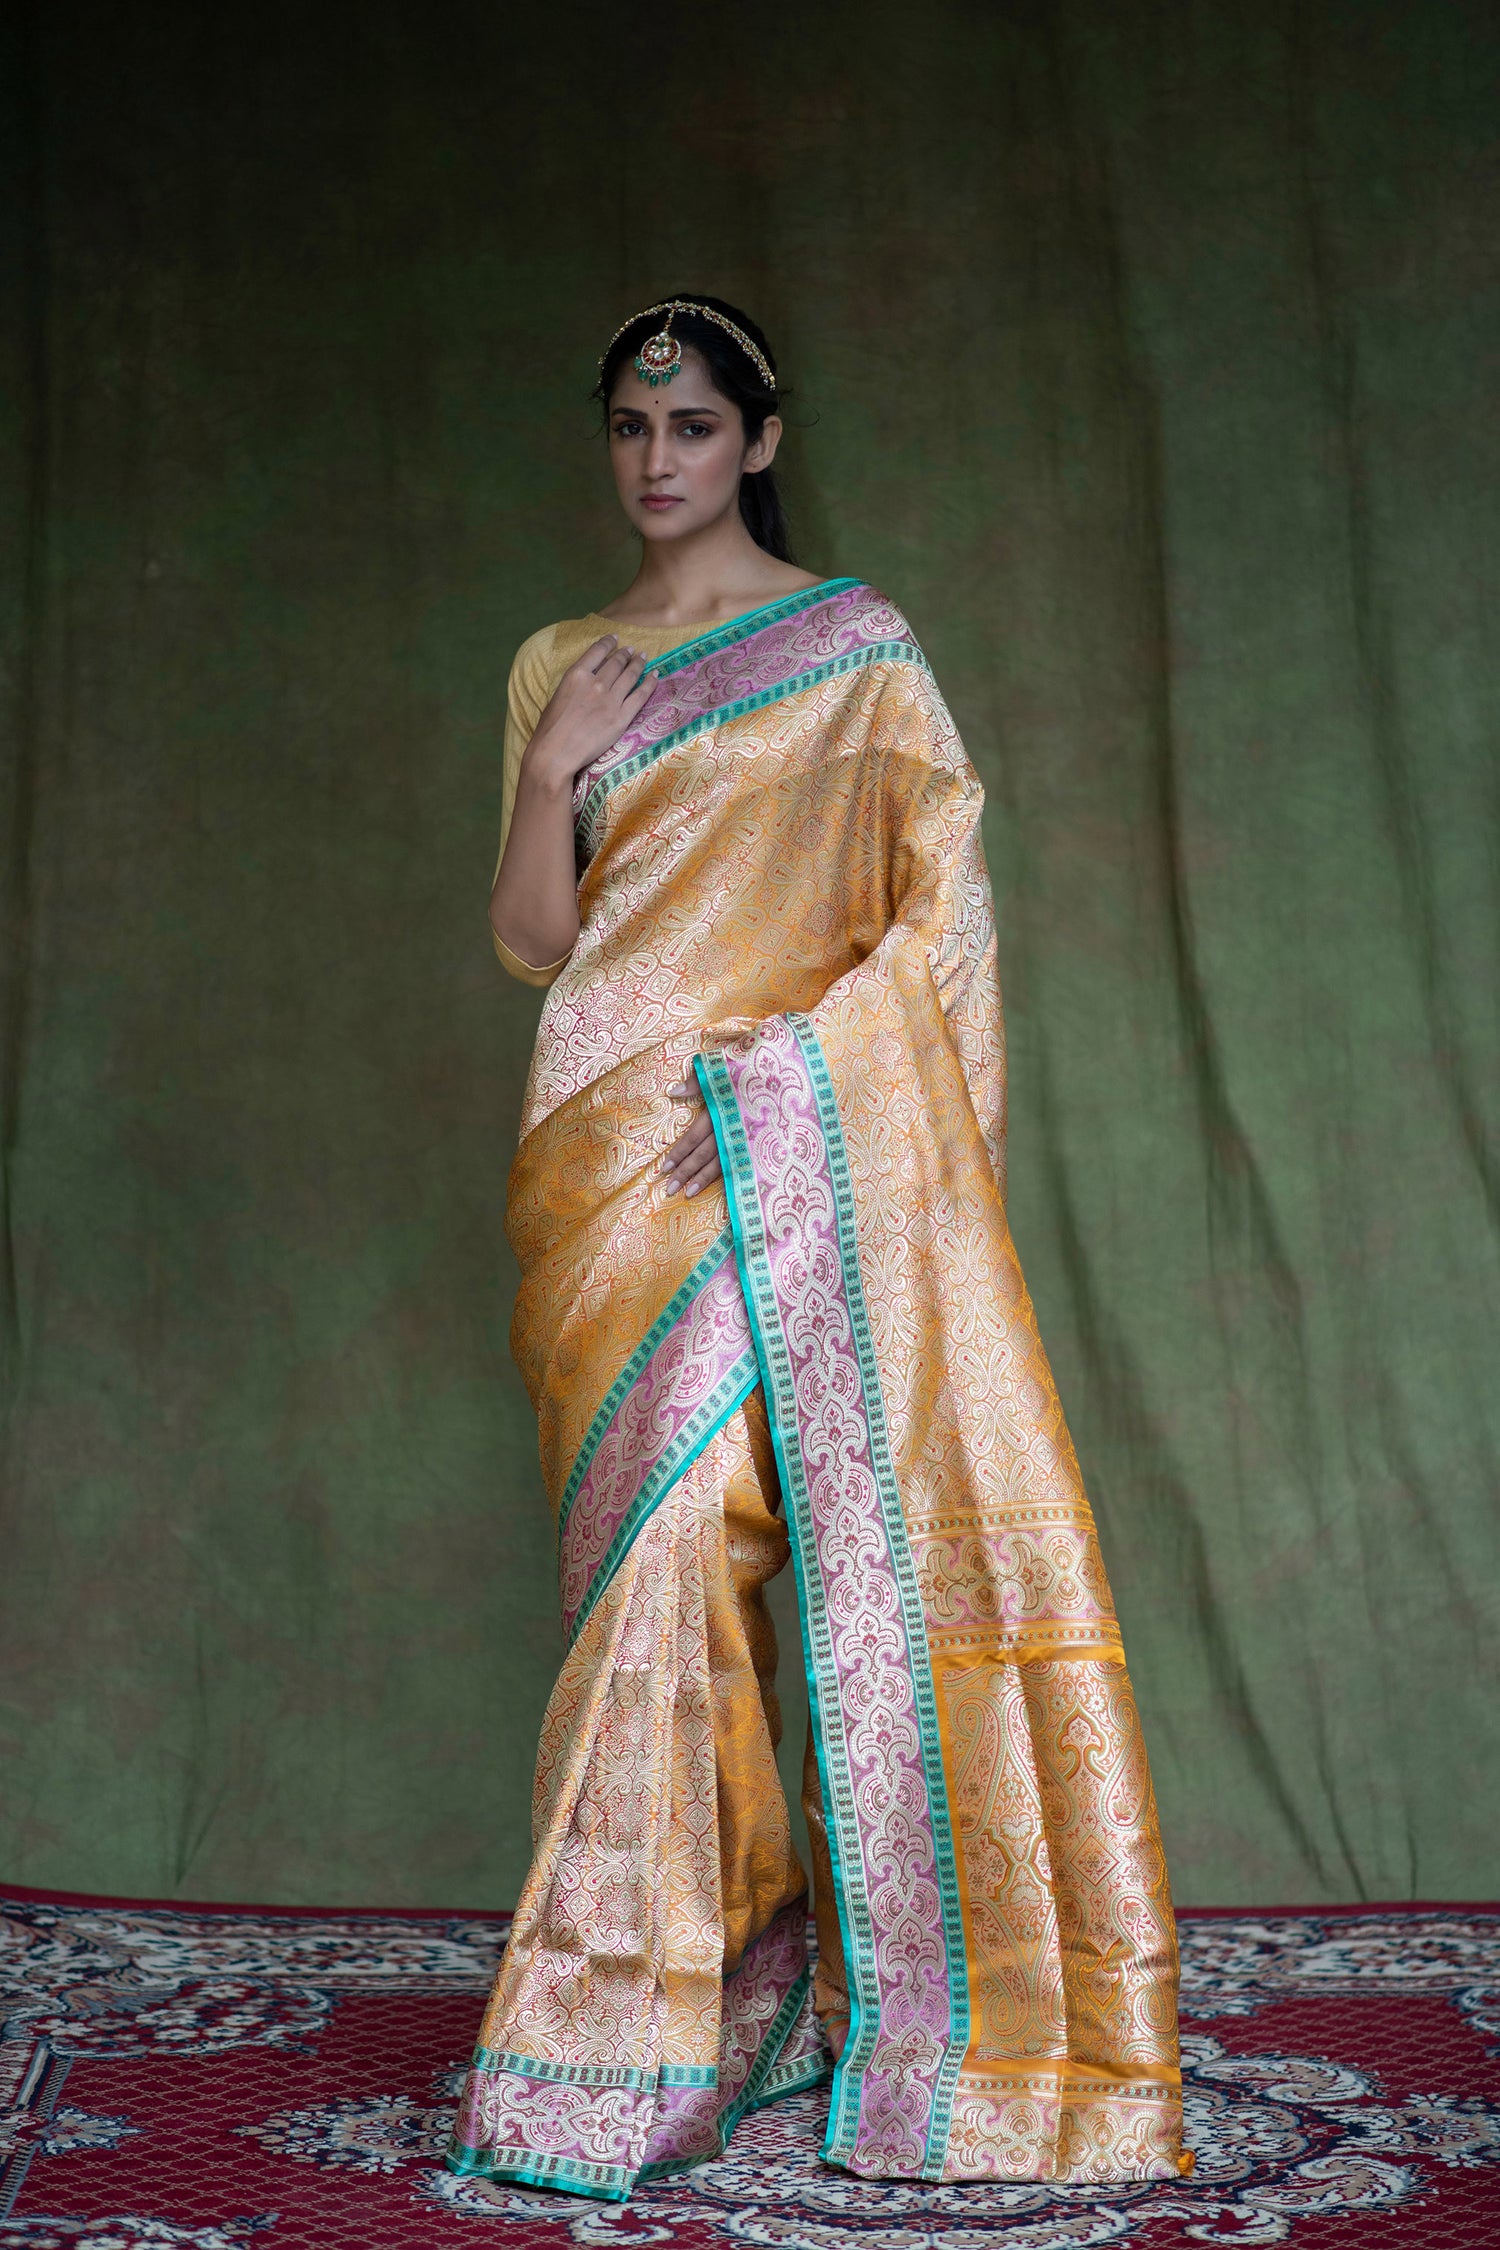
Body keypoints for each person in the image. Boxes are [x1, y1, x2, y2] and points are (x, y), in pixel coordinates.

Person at [446, 295, 1188, 2201]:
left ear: (759, 442)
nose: (658, 458)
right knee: (643, 1567)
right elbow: (536, 938)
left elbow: (940, 924)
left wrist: (787, 1088)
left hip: (770, 1140)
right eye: (632, 426)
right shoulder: (561, 661)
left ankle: (636, 2021)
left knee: (703, 1539)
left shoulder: (858, 655)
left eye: (694, 425)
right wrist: (549, 770)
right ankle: (722, 1965)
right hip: (599, 1157)